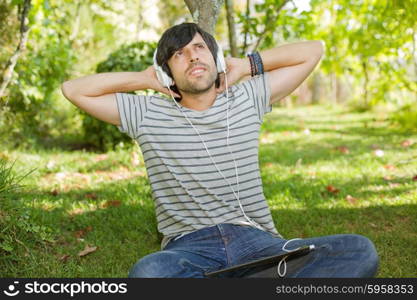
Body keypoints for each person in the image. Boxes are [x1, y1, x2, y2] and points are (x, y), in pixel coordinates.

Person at [61, 22, 379, 278]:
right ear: (166, 72)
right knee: (149, 272)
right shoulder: (146, 113)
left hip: (258, 242)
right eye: (179, 55)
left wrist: (248, 66)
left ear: (215, 58)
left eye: (199, 48)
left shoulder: (247, 98)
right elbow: (73, 90)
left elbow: (313, 50)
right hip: (188, 248)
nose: (193, 57)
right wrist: (143, 79)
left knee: (358, 250)